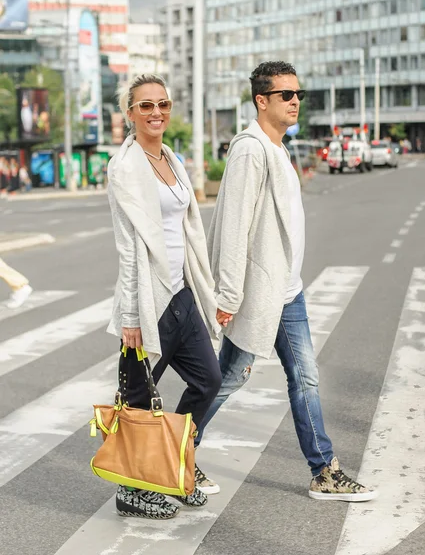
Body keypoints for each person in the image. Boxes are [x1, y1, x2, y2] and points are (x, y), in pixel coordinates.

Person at [194, 61, 377, 502]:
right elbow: (234, 226)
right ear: (262, 100)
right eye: (285, 95)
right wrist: (230, 296)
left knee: (305, 377)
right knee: (231, 378)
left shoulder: (279, 148)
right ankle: (173, 449)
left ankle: (324, 471)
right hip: (257, 292)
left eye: (299, 94)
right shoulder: (250, 150)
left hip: (286, 291)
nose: (295, 101)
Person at [107, 73, 223, 520]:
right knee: (136, 399)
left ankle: (173, 466)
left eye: (163, 104)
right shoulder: (125, 168)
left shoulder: (171, 158)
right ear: (130, 113)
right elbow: (128, 248)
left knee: (207, 380)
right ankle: (132, 490)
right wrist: (132, 316)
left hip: (181, 292)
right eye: (145, 106)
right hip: (149, 301)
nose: (156, 112)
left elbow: (186, 229)